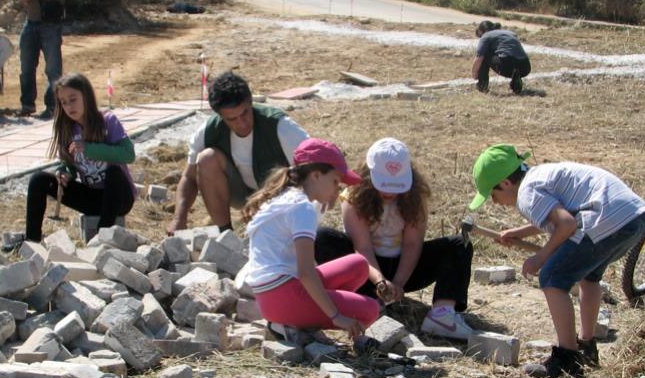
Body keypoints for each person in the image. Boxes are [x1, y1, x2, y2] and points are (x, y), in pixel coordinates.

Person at [469, 144, 645, 378]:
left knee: (552, 278)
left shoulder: (526, 193)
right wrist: (521, 233)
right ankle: (586, 346)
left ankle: (567, 359)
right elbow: (561, 214)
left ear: (505, 183)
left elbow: (566, 224)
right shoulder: (540, 175)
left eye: (493, 195)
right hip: (632, 217)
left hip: (605, 218)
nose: (495, 202)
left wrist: (541, 257)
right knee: (589, 276)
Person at [314, 138, 475, 340]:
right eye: (384, 184)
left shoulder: (416, 197)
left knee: (459, 244)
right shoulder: (353, 197)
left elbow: (412, 243)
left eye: (396, 185)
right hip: (365, 268)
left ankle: (442, 315)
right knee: (322, 238)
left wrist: (398, 283)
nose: (389, 191)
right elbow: (362, 247)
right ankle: (361, 300)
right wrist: (380, 281)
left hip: (405, 267)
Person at [243, 138, 381, 351]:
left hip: (272, 296)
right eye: (335, 181)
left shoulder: (288, 198)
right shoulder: (302, 207)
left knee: (358, 265)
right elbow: (306, 272)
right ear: (316, 175)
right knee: (369, 310)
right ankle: (296, 325)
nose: (338, 190)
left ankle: (301, 321)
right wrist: (337, 316)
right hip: (282, 297)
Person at [168, 71, 310, 235]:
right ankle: (225, 234)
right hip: (243, 195)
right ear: (220, 116)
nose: (242, 124)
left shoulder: (280, 126)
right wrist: (179, 219)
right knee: (207, 159)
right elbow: (189, 178)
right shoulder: (208, 132)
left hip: (281, 194)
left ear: (250, 102)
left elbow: (315, 166)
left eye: (245, 113)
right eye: (232, 119)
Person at [25, 73, 136, 242]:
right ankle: (31, 241)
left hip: (119, 197)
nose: (69, 106)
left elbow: (128, 154)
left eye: (73, 99)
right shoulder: (68, 129)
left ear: (86, 96)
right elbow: (69, 164)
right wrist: (63, 172)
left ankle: (101, 239)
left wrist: (89, 148)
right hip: (92, 197)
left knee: (114, 172)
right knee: (38, 179)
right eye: (64, 102)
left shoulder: (107, 121)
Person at [17, 0, 90, 120]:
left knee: (53, 70)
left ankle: (52, 106)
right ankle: (27, 104)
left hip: (52, 24)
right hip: (31, 22)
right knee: (26, 66)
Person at [472, 21, 530, 95]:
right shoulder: (510, 33)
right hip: (525, 67)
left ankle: (482, 86)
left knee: (485, 54)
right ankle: (516, 78)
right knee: (513, 64)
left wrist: (474, 73)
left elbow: (479, 58)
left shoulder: (486, 36)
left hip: (506, 66)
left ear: (481, 31)